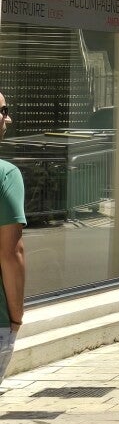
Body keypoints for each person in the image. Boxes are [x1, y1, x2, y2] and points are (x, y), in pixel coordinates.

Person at [0, 90, 24, 382]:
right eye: (3, 111)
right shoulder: (6, 174)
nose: (8, 119)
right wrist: (16, 317)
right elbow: (11, 253)